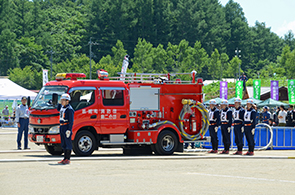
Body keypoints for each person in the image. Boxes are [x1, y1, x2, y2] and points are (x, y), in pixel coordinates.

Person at [57, 94, 74, 165]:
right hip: (62, 126)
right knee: (63, 143)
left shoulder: (69, 109)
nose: (62, 102)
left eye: (63, 100)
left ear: (67, 101)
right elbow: (57, 107)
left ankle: (68, 158)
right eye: (61, 100)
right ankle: (64, 158)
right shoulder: (62, 107)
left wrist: (69, 129)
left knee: (68, 143)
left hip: (66, 126)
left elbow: (71, 120)